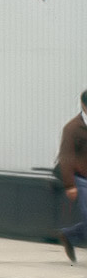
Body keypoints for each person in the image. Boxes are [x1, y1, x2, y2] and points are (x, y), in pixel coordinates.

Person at [54, 90, 87, 264]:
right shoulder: (73, 128)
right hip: (80, 179)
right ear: (84, 105)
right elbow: (65, 157)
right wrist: (69, 185)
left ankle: (68, 235)